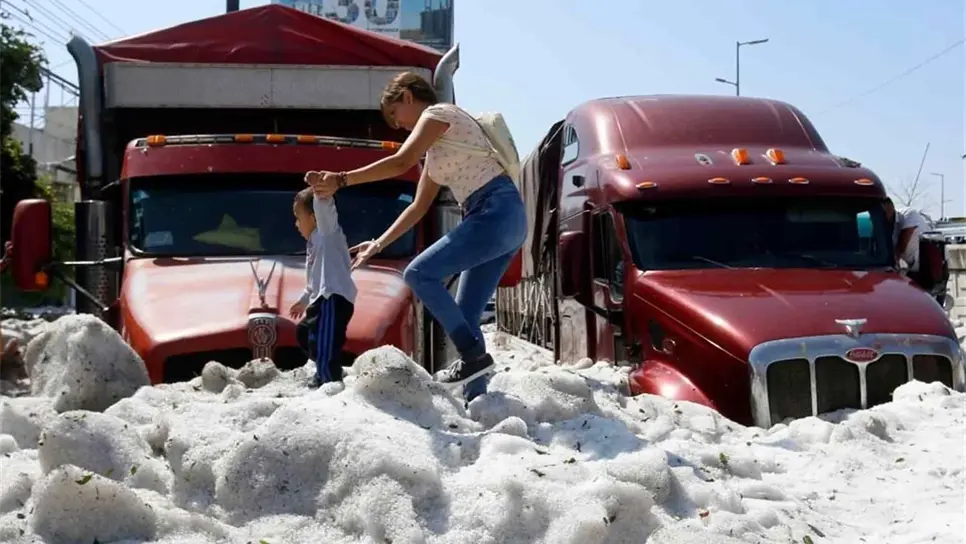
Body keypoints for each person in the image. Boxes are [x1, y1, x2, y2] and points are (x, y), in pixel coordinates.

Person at [305, 71, 527, 391]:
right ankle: (476, 399)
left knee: (419, 274)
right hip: (504, 219)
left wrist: (341, 179)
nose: (401, 127)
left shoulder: (439, 113)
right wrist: (377, 244)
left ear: (408, 96)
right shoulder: (437, 155)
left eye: (397, 116)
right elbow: (417, 208)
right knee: (465, 314)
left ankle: (473, 356)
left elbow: (399, 162)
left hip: (494, 212)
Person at [289, 188, 357, 387]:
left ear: (314, 217)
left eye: (298, 217)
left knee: (324, 341)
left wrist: (320, 192)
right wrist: (303, 300)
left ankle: (328, 378)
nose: (296, 224)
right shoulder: (313, 243)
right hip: (319, 297)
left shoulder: (326, 233)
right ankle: (327, 368)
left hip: (333, 297)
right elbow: (313, 280)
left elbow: (325, 210)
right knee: (305, 333)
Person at [882, 197, 933, 272]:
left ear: (890, 207)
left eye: (882, 212)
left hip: (928, 266)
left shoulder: (908, 214)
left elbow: (902, 244)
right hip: (910, 268)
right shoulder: (885, 226)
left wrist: (892, 261)